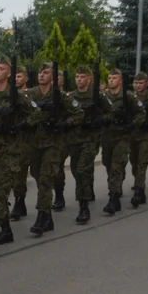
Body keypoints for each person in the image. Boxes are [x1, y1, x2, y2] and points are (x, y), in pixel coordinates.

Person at [0, 55, 40, 244]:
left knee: (2, 191)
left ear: (9, 73)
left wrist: (21, 125)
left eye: (1, 69)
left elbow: (36, 113)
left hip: (10, 151)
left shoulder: (17, 95)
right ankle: (6, 231)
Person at [64, 65, 111, 222]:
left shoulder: (97, 95)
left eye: (82, 77)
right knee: (77, 171)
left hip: (91, 139)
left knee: (82, 169)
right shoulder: (71, 96)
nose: (79, 80)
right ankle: (87, 191)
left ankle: (83, 207)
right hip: (75, 139)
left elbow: (110, 112)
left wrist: (100, 120)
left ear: (89, 79)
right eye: (77, 77)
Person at [27, 62, 64, 234]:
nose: (41, 75)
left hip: (52, 144)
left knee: (45, 179)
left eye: (45, 72)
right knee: (36, 174)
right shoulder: (30, 94)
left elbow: (78, 113)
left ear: (52, 76)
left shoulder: (59, 95)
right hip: (34, 143)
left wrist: (62, 123)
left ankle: (42, 216)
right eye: (40, 72)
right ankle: (47, 215)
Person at [100, 69, 131, 214]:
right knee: (107, 164)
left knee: (116, 167)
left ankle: (113, 198)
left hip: (122, 137)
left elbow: (141, 113)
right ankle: (116, 188)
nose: (111, 80)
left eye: (114, 78)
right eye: (109, 78)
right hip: (107, 137)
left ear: (121, 81)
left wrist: (131, 123)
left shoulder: (128, 96)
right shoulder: (103, 96)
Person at [10, 65, 36, 221]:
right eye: (14, 76)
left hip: (25, 141)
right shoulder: (9, 94)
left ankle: (19, 202)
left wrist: (26, 123)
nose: (16, 79)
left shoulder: (30, 95)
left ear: (26, 78)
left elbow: (36, 114)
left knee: (20, 174)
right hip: (10, 140)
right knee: (12, 175)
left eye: (19, 76)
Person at [127, 72, 148, 207]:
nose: (137, 86)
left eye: (140, 83)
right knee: (133, 161)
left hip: (146, 135)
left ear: (147, 83)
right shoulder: (130, 97)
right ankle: (139, 185)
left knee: (142, 163)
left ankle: (138, 190)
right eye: (135, 83)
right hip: (133, 134)